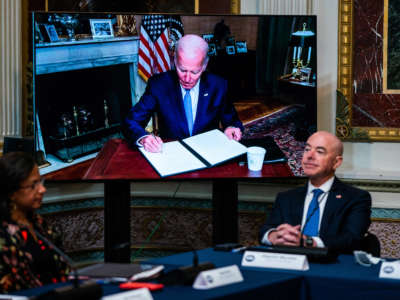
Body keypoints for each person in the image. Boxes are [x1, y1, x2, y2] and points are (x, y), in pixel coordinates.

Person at [124, 34, 243, 152]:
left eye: (194, 72)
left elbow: (232, 121)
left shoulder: (218, 85)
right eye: (182, 70)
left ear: (204, 65)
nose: (187, 78)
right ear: (175, 60)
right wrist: (144, 138)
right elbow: (131, 121)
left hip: (208, 153)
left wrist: (232, 128)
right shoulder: (158, 85)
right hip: (171, 154)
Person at [259, 131, 371, 254]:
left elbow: (352, 239)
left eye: (320, 151)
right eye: (307, 149)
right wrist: (274, 236)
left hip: (331, 266)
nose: (310, 156)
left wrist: (307, 242)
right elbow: (265, 230)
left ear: (336, 162)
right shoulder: (286, 197)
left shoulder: (356, 198)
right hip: (289, 263)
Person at [0, 152, 69, 293]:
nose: (42, 189)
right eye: (33, 185)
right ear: (11, 192)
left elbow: (63, 269)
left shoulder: (38, 223)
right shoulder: (3, 234)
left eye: (40, 182)